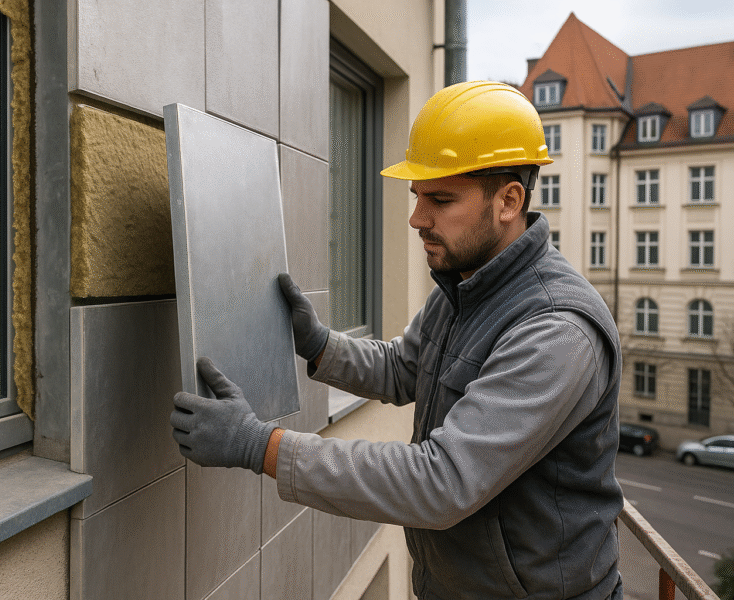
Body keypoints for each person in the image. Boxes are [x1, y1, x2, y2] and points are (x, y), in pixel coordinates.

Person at [171, 81, 624, 600]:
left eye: (440, 199)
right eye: (417, 197)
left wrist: (260, 446)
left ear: (508, 201)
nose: (416, 219)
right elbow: (403, 368)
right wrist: (319, 344)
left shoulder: (557, 330)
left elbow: (441, 482)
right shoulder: (466, 283)